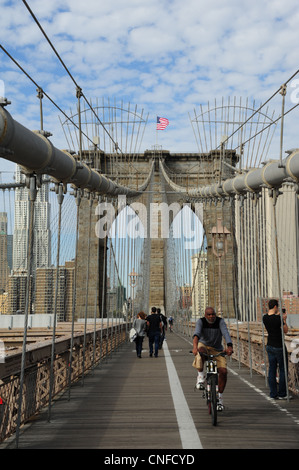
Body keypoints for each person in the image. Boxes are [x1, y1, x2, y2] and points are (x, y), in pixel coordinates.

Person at [192, 306, 233, 410]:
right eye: (208, 314)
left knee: (223, 371)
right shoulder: (201, 321)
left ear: (215, 314)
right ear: (205, 315)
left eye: (213, 314)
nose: (211, 316)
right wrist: (195, 347)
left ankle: (220, 398)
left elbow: (225, 334)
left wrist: (229, 346)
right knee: (200, 353)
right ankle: (201, 376)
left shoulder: (220, 321)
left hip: (217, 349)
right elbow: (196, 334)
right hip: (204, 345)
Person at [263, 299, 290, 399]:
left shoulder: (264, 318)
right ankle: (282, 393)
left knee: (272, 370)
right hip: (279, 346)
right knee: (283, 370)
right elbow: (286, 331)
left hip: (269, 345)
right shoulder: (278, 319)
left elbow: (272, 322)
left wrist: (278, 316)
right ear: (275, 307)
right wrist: (283, 320)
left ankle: (273, 394)